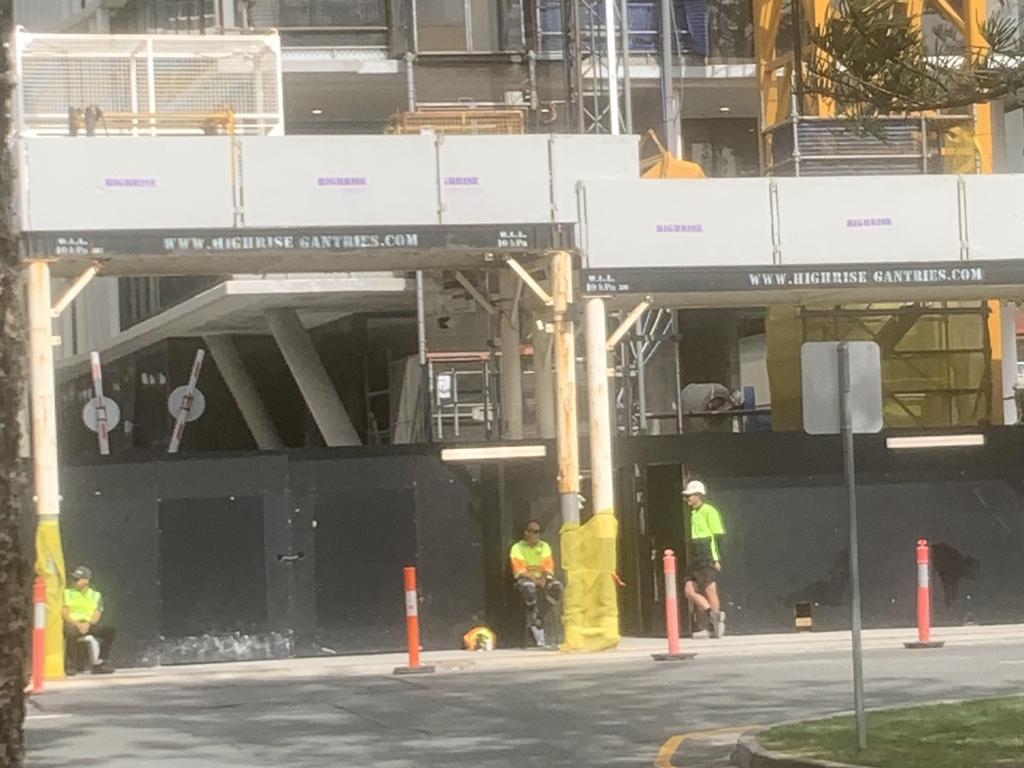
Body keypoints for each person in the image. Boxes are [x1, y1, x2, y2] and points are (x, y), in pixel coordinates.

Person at [681, 481, 727, 639]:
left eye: (690, 495)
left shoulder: (709, 511)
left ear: (698, 495)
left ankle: (714, 627)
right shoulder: (693, 513)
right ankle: (713, 617)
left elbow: (717, 536)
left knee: (709, 589)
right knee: (689, 590)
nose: (687, 498)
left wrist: (716, 558)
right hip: (696, 553)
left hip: (707, 552)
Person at [509, 520, 563, 646]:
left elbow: (548, 567)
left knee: (557, 587)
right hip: (526, 579)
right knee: (529, 588)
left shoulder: (544, 546)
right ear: (526, 533)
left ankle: (539, 614)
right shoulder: (517, 548)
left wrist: (543, 578)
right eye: (532, 532)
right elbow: (519, 570)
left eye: (538, 532)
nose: (535, 535)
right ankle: (533, 613)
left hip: (542, 578)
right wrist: (535, 579)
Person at [63, 566, 115, 674]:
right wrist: (77, 624)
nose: (75, 581)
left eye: (78, 579)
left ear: (86, 580)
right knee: (70, 632)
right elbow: (65, 613)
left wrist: (88, 624)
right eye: (74, 579)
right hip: (73, 623)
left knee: (110, 631)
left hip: (88, 624)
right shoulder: (67, 593)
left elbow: (97, 614)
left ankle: (100, 663)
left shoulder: (96, 595)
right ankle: (69, 666)